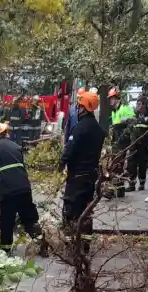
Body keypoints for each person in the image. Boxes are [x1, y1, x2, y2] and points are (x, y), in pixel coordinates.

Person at [0, 122, 45, 250]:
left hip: (8, 192)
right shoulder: (17, 147)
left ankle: (5, 250)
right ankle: (42, 245)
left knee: (6, 222)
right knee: (30, 219)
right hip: (24, 188)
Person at [60, 89, 106, 237]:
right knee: (86, 211)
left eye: (79, 106)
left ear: (84, 108)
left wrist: (61, 164)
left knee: (70, 210)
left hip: (77, 177)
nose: (77, 109)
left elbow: (70, 149)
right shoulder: (99, 130)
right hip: (90, 177)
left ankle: (70, 244)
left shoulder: (79, 128)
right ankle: (85, 243)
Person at [107, 87, 136, 196]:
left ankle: (112, 189)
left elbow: (133, 119)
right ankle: (120, 189)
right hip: (116, 139)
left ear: (117, 99)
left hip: (123, 139)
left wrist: (126, 120)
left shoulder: (124, 108)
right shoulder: (114, 111)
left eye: (112, 98)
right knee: (116, 164)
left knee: (116, 165)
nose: (110, 101)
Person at [126, 96, 148, 191]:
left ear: (144, 104)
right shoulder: (135, 114)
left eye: (139, 104)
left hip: (144, 143)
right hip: (134, 143)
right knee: (131, 163)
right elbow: (131, 126)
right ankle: (131, 184)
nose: (137, 106)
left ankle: (142, 182)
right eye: (137, 104)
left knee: (142, 163)